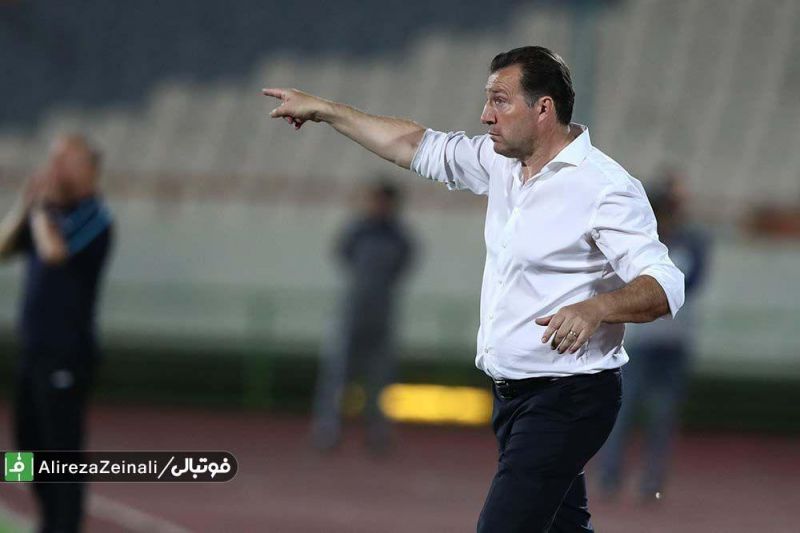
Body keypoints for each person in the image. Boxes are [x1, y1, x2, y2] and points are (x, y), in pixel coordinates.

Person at [262, 45, 684, 532]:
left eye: (500, 100)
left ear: (543, 108)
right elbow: (411, 145)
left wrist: (597, 308)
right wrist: (325, 110)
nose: (486, 115)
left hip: (569, 398)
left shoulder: (605, 188)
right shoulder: (500, 162)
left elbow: (665, 285)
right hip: (512, 398)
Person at [0, 134, 114, 533]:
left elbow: (53, 253)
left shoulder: (93, 217)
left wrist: (40, 210)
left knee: (61, 449)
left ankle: (64, 524)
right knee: (23, 449)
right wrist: (25, 205)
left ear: (89, 169)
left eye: (66, 160)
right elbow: (2, 248)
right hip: (33, 349)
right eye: (54, 159)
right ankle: (48, 518)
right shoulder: (46, 215)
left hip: (67, 353)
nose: (56, 168)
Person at [598, 170, 710, 501]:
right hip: (641, 340)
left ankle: (651, 481)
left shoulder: (691, 242)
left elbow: (692, 282)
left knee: (663, 415)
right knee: (624, 409)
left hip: (674, 340)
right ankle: (610, 475)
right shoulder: (640, 240)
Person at [310, 181, 414, 453]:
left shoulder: (400, 237)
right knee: (337, 372)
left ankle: (377, 431)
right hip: (352, 309)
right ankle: (328, 429)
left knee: (380, 376)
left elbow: (402, 267)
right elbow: (344, 256)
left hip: (382, 311)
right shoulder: (356, 231)